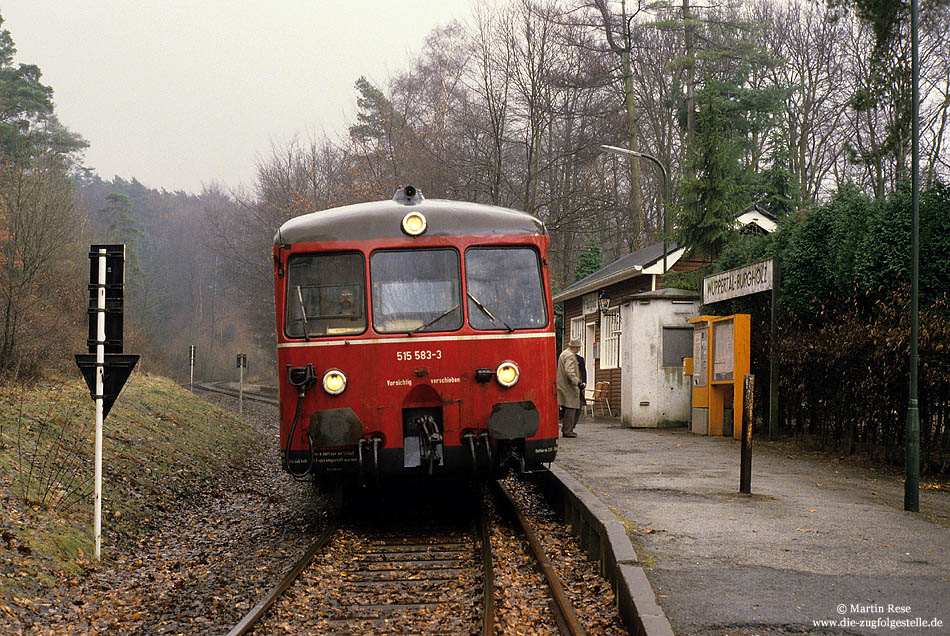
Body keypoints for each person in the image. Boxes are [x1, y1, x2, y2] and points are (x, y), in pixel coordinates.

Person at [557, 338, 583, 438]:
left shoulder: (564, 353)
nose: (579, 349)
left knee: (568, 407)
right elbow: (569, 371)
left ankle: (567, 429)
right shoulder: (570, 356)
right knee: (572, 408)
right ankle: (568, 430)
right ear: (576, 347)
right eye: (579, 347)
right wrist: (577, 382)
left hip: (563, 385)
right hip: (569, 386)